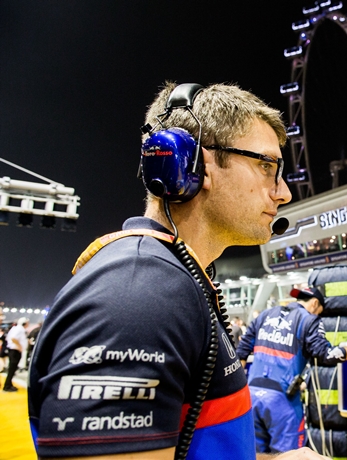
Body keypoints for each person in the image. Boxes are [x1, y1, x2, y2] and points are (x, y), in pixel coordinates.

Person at [28, 82, 328, 460]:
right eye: (266, 166)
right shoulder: (138, 294)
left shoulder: (171, 281)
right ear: (194, 164)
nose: (283, 192)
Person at [236, 287, 347, 454]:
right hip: (282, 402)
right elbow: (327, 355)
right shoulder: (309, 320)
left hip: (251, 397)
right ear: (315, 303)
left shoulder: (264, 315)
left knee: (255, 454)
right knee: (290, 456)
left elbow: (240, 353)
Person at [3, 317, 28, 392]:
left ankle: (9, 384)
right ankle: (7, 386)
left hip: (12, 350)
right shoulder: (20, 329)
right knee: (12, 369)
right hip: (15, 351)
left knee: (12, 369)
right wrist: (19, 347)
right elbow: (13, 338)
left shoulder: (15, 328)